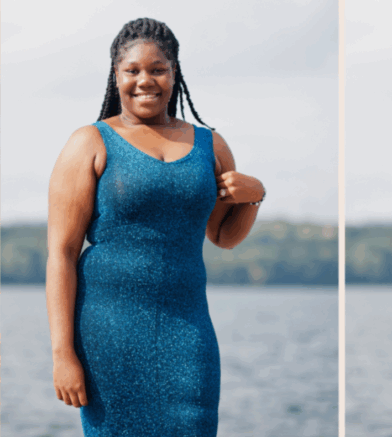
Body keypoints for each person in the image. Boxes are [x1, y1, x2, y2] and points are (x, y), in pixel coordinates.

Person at [46, 18, 265, 435]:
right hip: (109, 336)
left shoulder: (211, 145)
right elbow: (62, 253)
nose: (145, 80)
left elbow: (224, 236)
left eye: (157, 69)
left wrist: (253, 196)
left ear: (174, 73)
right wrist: (62, 353)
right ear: (116, 75)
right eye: (132, 70)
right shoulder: (89, 142)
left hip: (189, 333)